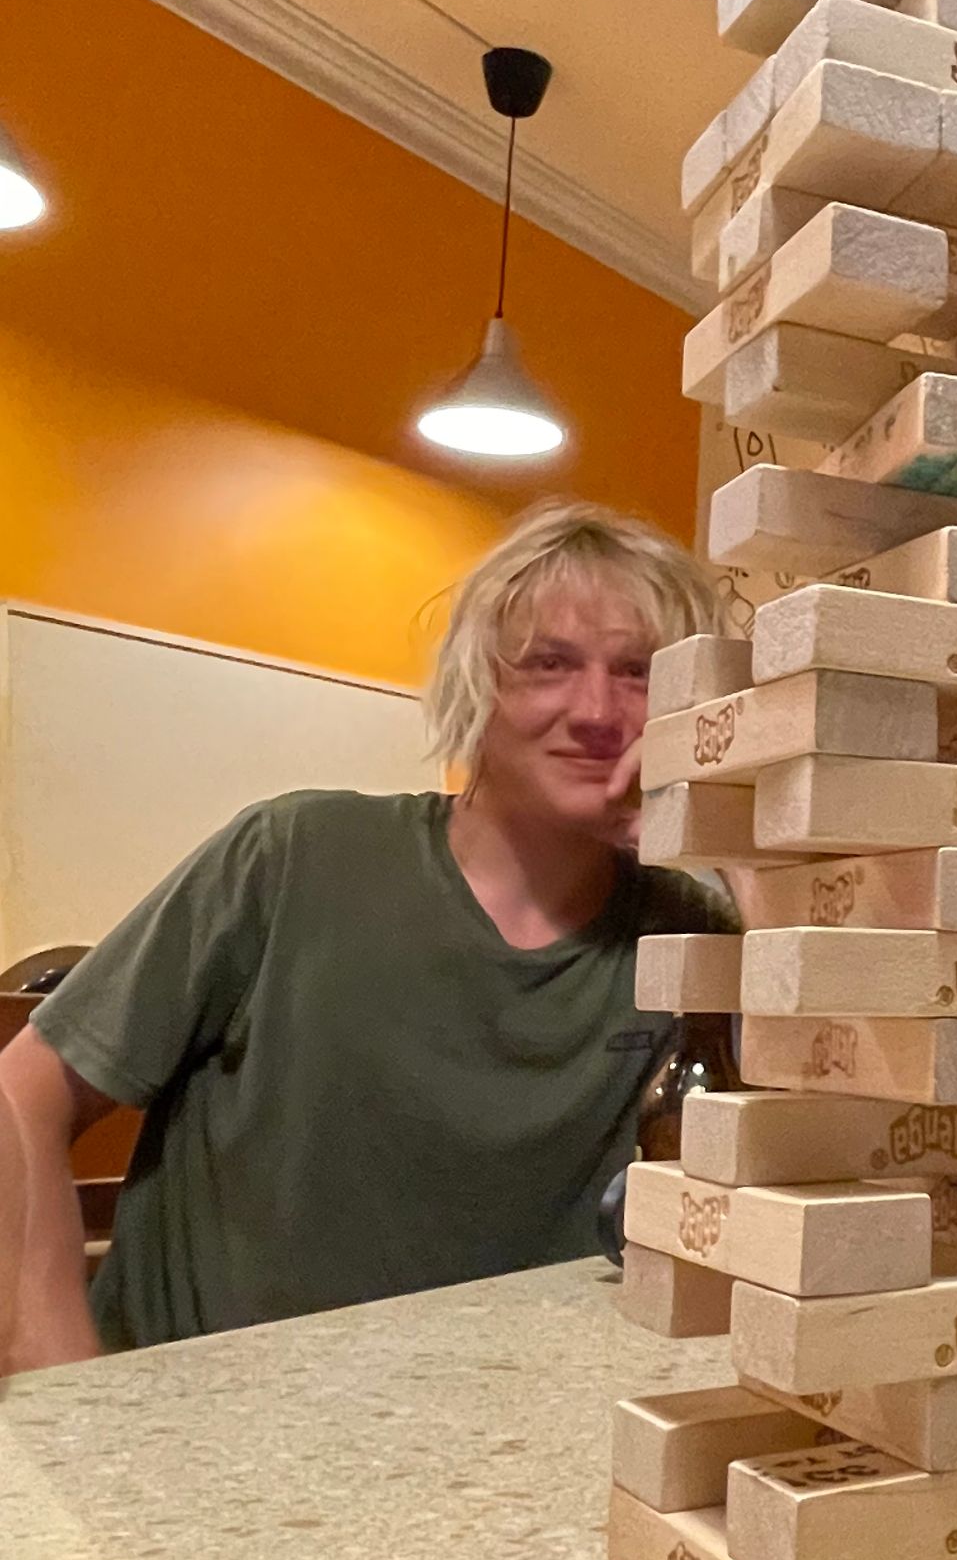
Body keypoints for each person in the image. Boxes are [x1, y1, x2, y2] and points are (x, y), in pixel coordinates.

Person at [0, 499, 730, 1373]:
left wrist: (738, 831)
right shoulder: (292, 856)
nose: (598, 710)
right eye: (549, 663)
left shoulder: (693, 931)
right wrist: (64, 1388)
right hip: (188, 1439)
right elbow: (21, 1095)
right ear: (481, 684)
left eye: (642, 674)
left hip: (476, 1452)